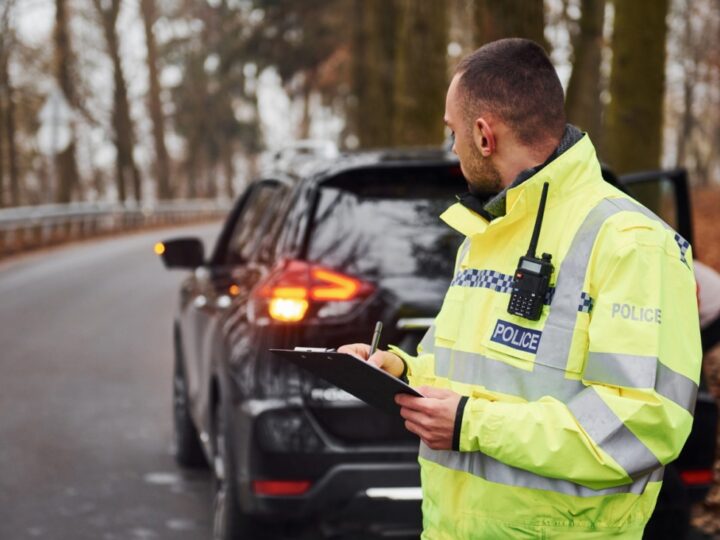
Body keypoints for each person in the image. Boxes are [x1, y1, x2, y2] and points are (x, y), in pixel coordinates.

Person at [340, 38, 701, 539]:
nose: (453, 149)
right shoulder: (486, 233)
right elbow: (472, 376)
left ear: (484, 135)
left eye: (453, 133)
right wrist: (398, 368)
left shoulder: (633, 244)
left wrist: (471, 424)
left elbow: (641, 426)